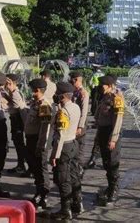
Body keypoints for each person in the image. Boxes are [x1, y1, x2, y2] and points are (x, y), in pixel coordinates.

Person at [50, 82, 82, 220]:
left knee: (63, 179)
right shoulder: (75, 107)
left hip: (64, 147)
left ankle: (65, 210)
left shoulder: (63, 112)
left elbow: (60, 136)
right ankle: (77, 203)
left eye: (57, 94)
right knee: (74, 175)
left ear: (62, 96)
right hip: (74, 144)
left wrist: (54, 155)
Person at [94, 76, 124, 204]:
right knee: (106, 162)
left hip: (111, 133)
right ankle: (110, 187)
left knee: (112, 163)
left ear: (110, 85)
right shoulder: (105, 97)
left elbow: (118, 121)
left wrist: (113, 139)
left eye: (104, 85)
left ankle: (114, 190)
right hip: (103, 132)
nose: (101, 86)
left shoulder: (116, 99)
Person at [25, 79, 53, 209]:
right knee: (35, 167)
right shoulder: (35, 103)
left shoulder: (44, 105)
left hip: (38, 140)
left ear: (37, 90)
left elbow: (45, 128)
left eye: (32, 90)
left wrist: (41, 145)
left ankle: (44, 195)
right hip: (31, 139)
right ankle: (38, 191)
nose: (31, 92)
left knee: (41, 168)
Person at [4, 74, 28, 175]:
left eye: (7, 83)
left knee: (19, 144)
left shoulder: (15, 94)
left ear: (12, 83)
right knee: (18, 143)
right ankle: (20, 165)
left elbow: (18, 106)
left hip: (18, 121)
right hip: (16, 120)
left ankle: (22, 165)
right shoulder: (13, 93)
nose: (5, 84)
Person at [69, 71, 90, 174]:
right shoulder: (74, 91)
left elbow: (84, 112)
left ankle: (80, 169)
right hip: (72, 123)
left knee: (80, 147)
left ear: (76, 80)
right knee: (73, 146)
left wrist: (80, 126)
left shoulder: (83, 93)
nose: (71, 82)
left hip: (79, 124)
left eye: (72, 80)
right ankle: (74, 167)